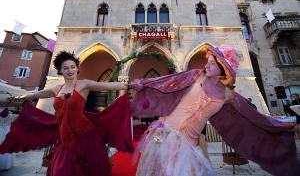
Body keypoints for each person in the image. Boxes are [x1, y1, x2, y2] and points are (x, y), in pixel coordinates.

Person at [131, 45, 299, 176]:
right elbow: (167, 81)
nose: (207, 65)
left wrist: (282, 125)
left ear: (223, 69)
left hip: (189, 148)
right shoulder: (196, 75)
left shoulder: (228, 95)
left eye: (212, 63)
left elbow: (253, 117)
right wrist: (143, 84)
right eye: (208, 61)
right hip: (166, 135)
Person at [0, 51, 133, 176]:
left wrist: (129, 86)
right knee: (61, 171)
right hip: (64, 139)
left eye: (72, 67)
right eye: (66, 68)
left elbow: (108, 86)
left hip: (85, 137)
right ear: (60, 71)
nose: (70, 70)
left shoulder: (84, 85)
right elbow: (41, 93)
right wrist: (24, 97)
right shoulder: (57, 88)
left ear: (77, 68)